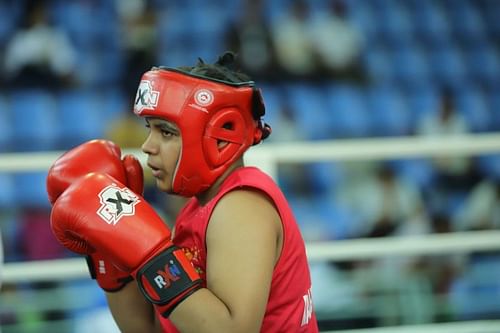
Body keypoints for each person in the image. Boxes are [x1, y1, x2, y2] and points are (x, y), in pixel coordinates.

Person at [46, 51, 319, 332]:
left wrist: (151, 256)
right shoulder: (196, 209)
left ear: (220, 137)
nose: (147, 146)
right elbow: (148, 329)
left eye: (166, 132)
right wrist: (109, 254)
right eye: (149, 129)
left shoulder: (241, 206)